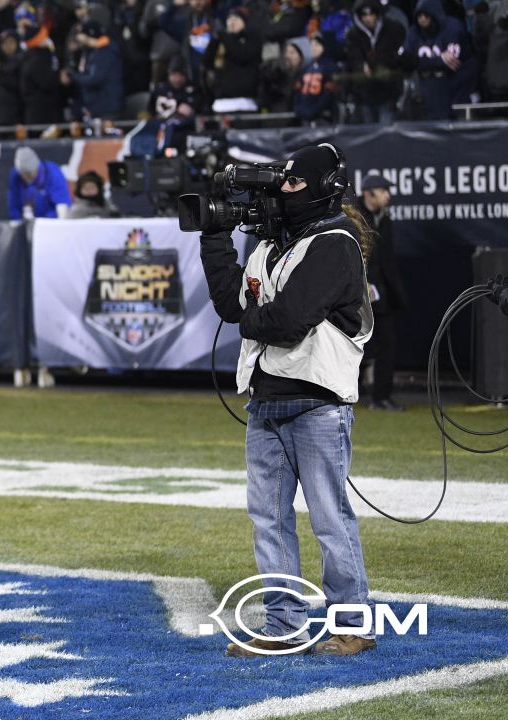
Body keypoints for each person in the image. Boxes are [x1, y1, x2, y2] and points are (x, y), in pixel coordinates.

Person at [198, 143, 377, 658]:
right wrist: (215, 236)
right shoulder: (269, 246)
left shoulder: (335, 244)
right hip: (267, 400)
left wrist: (248, 319)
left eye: (294, 183)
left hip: (318, 402)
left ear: (324, 188)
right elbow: (231, 301)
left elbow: (284, 321)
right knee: (269, 521)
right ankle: (283, 626)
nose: (283, 190)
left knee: (328, 516)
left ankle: (352, 624)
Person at [356, 174, 408, 410]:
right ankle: (350, 392)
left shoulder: (385, 219)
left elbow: (387, 261)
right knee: (352, 342)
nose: (388, 195)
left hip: (382, 294)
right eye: (383, 190)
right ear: (369, 193)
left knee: (388, 342)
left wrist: (393, 293)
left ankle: (381, 397)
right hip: (355, 293)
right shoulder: (353, 216)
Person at [342, 0, 406, 123]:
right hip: (364, 93)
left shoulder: (393, 29)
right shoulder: (353, 35)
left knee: (386, 132)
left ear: (377, 14)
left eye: (371, 14)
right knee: (368, 132)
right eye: (364, 15)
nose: (368, 18)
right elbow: (352, 59)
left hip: (387, 90)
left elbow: (397, 57)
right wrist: (361, 66)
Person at [8, 146, 71, 219]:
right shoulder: (15, 175)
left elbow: (62, 205)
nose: (27, 177)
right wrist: (19, 223)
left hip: (49, 222)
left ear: (37, 167)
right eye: (23, 174)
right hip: (27, 221)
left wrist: (43, 221)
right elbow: (13, 205)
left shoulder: (53, 174)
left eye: (29, 173)